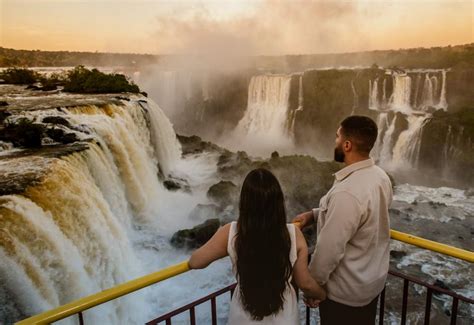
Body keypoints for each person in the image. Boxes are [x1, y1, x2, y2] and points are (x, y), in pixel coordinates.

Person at [189, 168, 326, 324]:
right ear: (278, 202)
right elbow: (305, 283)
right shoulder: (293, 234)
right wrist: (322, 295)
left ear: (245, 202)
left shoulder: (231, 232)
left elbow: (195, 262)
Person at [293, 115, 393, 324]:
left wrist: (313, 287)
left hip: (344, 297)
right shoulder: (381, 177)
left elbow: (329, 249)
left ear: (347, 145)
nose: (335, 141)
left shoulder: (347, 192)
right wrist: (314, 215)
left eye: (337, 137)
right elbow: (362, 216)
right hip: (370, 286)